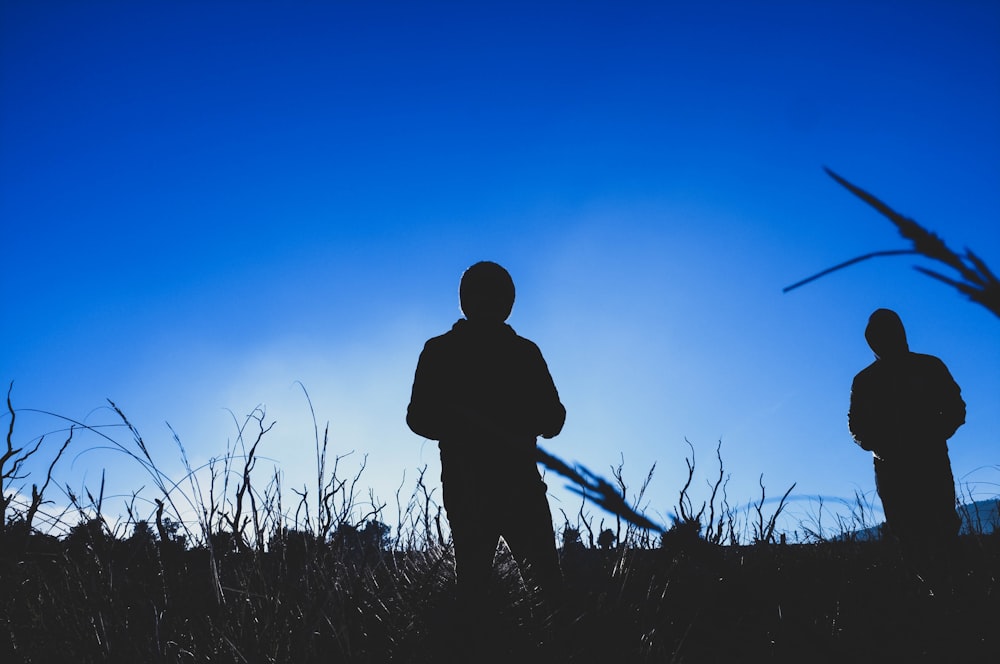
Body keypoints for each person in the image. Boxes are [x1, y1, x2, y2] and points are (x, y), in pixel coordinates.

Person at [406, 261, 566, 607]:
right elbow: (419, 417)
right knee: (541, 591)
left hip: (489, 488)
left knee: (493, 591)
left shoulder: (451, 350)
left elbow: (553, 420)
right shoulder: (518, 353)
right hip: (492, 488)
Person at [848, 308, 965, 563]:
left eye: (886, 333)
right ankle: (922, 593)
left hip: (931, 463)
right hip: (892, 470)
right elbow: (856, 425)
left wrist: (933, 437)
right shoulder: (865, 381)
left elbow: (956, 409)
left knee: (942, 530)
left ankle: (951, 593)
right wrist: (878, 447)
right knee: (906, 536)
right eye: (876, 335)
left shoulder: (929, 366)